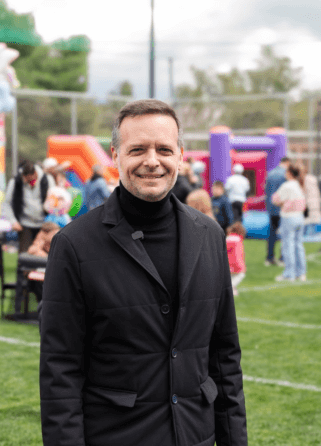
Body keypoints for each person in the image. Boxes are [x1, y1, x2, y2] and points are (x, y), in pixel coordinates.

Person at [40, 99, 247, 446]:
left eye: (164, 149)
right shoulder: (74, 245)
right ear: (115, 155)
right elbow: (60, 370)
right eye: (138, 149)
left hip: (196, 434)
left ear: (180, 156)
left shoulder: (210, 235)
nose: (152, 161)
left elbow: (224, 357)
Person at [2, 160, 49, 253]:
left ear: (35, 174)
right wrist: (13, 221)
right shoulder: (15, 182)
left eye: (30, 180)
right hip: (25, 224)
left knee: (43, 253)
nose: (28, 182)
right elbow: (6, 203)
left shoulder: (46, 180)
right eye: (26, 180)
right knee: (24, 254)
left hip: (43, 223)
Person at [271, 165, 307, 282]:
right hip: (299, 216)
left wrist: (283, 203)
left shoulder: (287, 185)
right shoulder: (299, 184)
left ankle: (289, 274)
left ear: (290, 173)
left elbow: (275, 199)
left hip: (289, 217)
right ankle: (301, 273)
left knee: (288, 245)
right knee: (298, 245)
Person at [265, 157, 290, 266]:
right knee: (284, 234)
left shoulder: (270, 173)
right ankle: (282, 258)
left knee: (272, 233)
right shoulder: (285, 175)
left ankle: (269, 257)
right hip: (282, 208)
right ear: (287, 163)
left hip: (271, 208)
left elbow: (267, 191)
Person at [295, 162, 321, 236]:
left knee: (312, 229)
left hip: (311, 207)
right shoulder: (297, 181)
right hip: (303, 208)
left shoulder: (310, 179)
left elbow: (313, 195)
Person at [225, 221, 247, 297]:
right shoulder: (238, 240)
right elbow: (239, 254)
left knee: (230, 277)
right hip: (235, 262)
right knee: (241, 274)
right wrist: (242, 265)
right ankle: (231, 287)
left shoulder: (227, 238)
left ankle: (231, 290)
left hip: (226, 262)